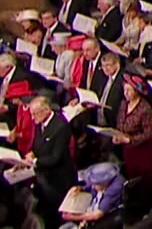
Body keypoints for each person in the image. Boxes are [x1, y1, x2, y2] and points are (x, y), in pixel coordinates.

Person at [29, 95, 77, 227]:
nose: (32, 118)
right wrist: (31, 154)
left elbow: (55, 157)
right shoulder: (39, 122)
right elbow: (37, 144)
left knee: (55, 217)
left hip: (58, 180)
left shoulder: (60, 127)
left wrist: (35, 161)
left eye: (35, 114)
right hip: (43, 176)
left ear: (46, 110)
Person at [114, 74, 152, 197]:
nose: (126, 93)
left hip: (143, 152)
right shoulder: (123, 104)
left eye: (129, 90)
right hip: (128, 151)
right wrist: (117, 135)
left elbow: (149, 133)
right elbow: (120, 122)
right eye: (124, 90)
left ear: (136, 91)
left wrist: (129, 140)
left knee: (144, 183)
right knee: (132, 177)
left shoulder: (145, 109)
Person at [58, 162, 125, 229]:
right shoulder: (101, 181)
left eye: (95, 185)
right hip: (91, 207)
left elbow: (97, 215)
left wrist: (73, 217)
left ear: (104, 182)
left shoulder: (114, 190)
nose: (93, 187)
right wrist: (80, 188)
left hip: (105, 218)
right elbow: (90, 185)